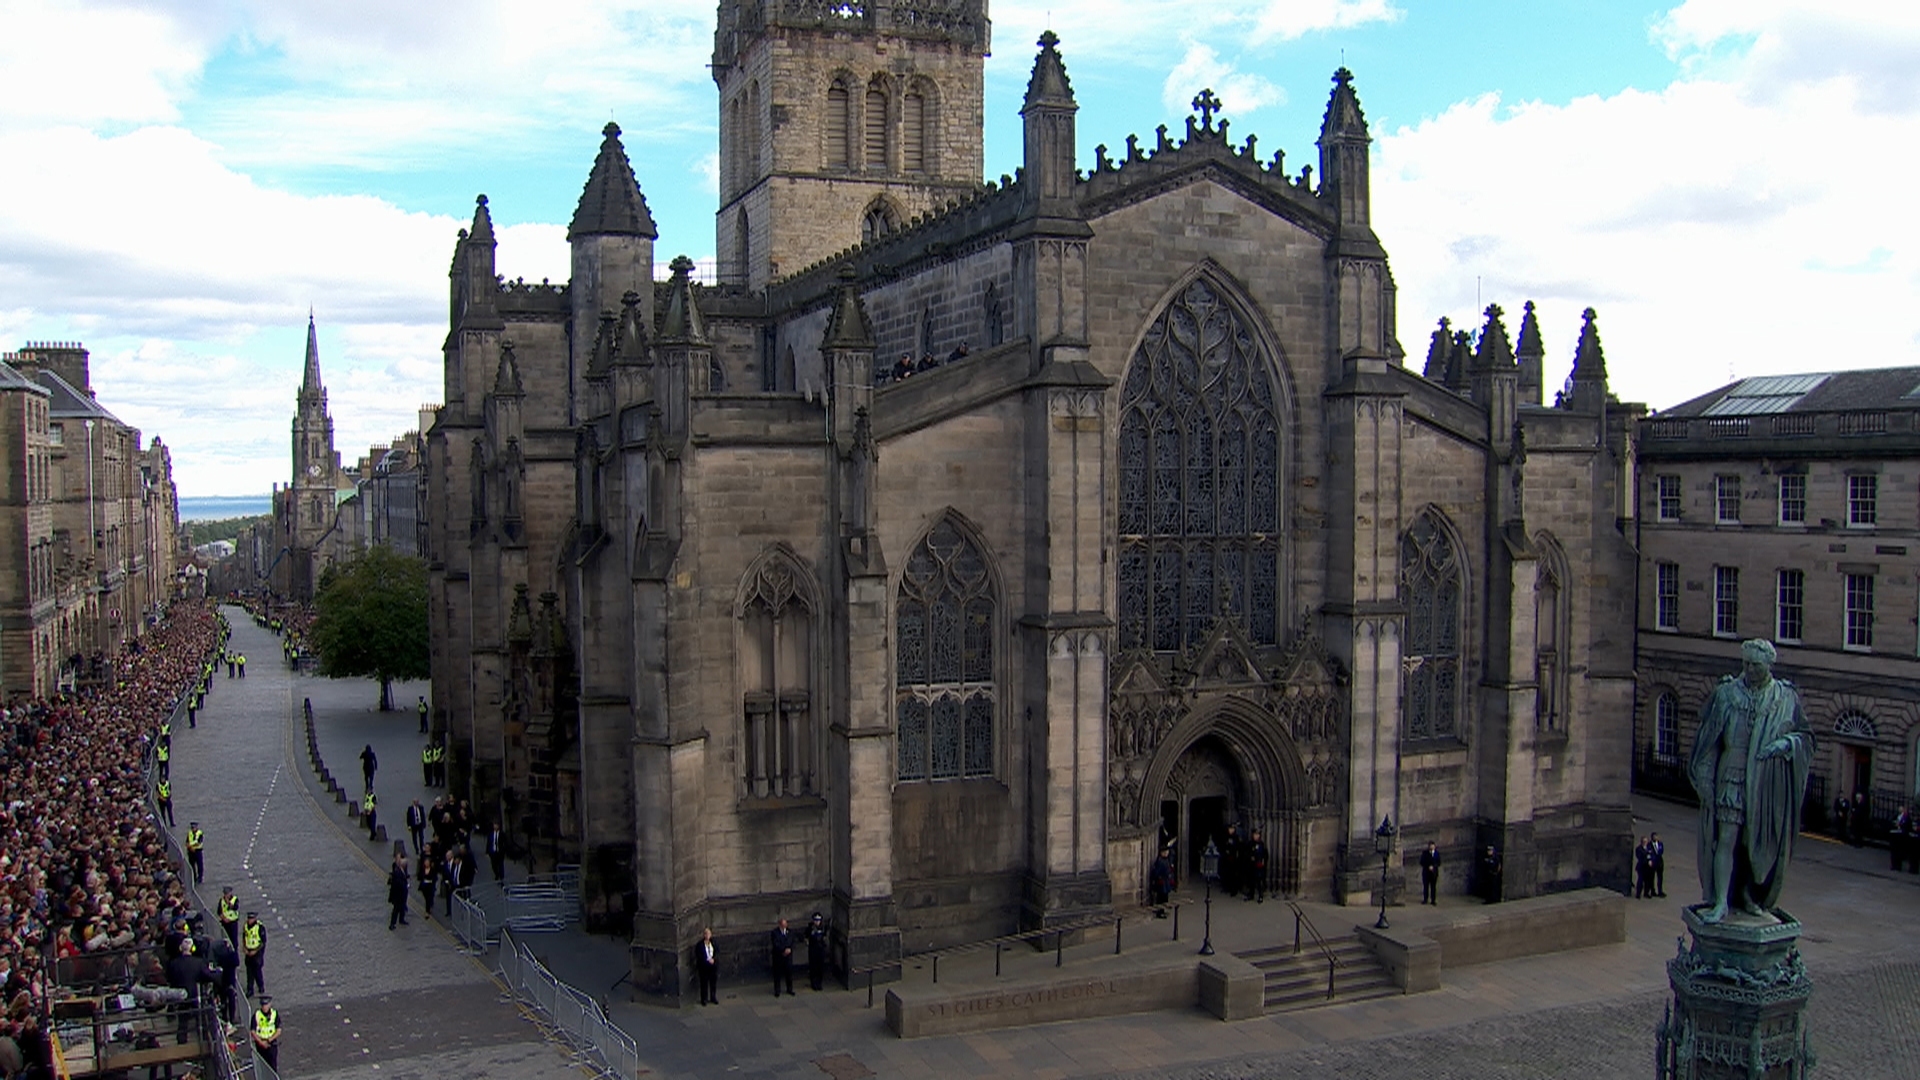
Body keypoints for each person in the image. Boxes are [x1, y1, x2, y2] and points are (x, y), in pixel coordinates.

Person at [1686, 638, 1813, 924]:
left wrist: (1785, 746)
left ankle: (1746, 896)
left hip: (1765, 784)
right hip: (1731, 775)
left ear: (1769, 665)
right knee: (1726, 840)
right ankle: (1720, 902)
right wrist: (1705, 779)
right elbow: (1708, 737)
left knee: (1753, 843)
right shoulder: (1727, 693)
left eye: (1755, 665)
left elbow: (1806, 737)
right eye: (1745, 663)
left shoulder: (1785, 697)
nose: (1749, 670)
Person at [252, 995, 279, 1072]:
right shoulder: (257, 1015)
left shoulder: (274, 1014)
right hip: (260, 1044)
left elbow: (278, 1030)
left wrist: (269, 1040)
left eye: (266, 1005)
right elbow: (253, 1031)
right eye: (263, 1005)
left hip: (271, 1043)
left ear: (270, 1004)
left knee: (273, 1066)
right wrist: (261, 1042)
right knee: (263, 1066)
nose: (264, 1007)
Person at [242, 912, 266, 996]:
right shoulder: (245, 926)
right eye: (249, 918)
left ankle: (261, 986)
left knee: (257, 971)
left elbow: (263, 942)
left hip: (257, 952)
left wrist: (255, 951)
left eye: (251, 919)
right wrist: (244, 947)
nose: (249, 920)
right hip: (248, 951)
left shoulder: (260, 927)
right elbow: (244, 937)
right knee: (249, 972)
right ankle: (250, 989)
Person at [770, 918, 795, 996]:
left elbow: (791, 941)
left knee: (789, 973)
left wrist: (789, 949)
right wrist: (783, 950)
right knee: (777, 974)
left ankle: (789, 989)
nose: (785, 926)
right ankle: (777, 990)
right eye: (783, 925)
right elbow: (776, 944)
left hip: (788, 956)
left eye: (785, 924)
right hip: (779, 956)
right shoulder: (775, 933)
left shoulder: (790, 932)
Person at [1243, 829, 1269, 902]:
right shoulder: (1250, 844)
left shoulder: (1261, 844)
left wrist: (1263, 862)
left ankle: (1260, 896)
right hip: (1251, 865)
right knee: (1251, 880)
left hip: (1258, 865)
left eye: (1257, 835)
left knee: (1259, 881)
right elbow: (1246, 853)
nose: (1256, 836)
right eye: (1254, 834)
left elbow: (1265, 854)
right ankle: (1251, 894)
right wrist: (1249, 858)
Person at [694, 928, 718, 1005]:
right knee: (704, 983)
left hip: (712, 966)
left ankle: (713, 997)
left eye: (709, 934)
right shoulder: (700, 945)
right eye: (706, 934)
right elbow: (699, 955)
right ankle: (704, 999)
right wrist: (706, 960)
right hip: (704, 966)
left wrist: (714, 959)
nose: (707, 935)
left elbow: (717, 952)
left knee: (713, 982)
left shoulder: (713, 943)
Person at [387, 852, 411, 930]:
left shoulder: (402, 871)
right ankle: (392, 924)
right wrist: (405, 885)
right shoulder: (397, 872)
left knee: (402, 907)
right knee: (396, 909)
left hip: (402, 894)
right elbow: (398, 883)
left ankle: (401, 919)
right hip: (398, 894)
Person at [1148, 846, 1174, 915]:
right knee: (1160, 898)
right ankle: (1159, 912)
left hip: (1166, 881)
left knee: (1165, 898)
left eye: (1167, 852)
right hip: (1162, 882)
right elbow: (1156, 872)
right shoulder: (1160, 861)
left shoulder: (1166, 859)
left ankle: (1163, 910)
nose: (1166, 853)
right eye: (1165, 852)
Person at [806, 912, 829, 991]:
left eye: (818, 920)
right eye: (815, 920)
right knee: (813, 967)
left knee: (820, 967)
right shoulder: (810, 928)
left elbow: (825, 936)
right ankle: (813, 983)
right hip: (813, 949)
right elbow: (806, 936)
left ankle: (819, 983)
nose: (817, 922)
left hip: (820, 949)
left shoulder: (823, 928)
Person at [1220, 823, 1242, 899]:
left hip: (1233, 859)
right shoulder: (1225, 837)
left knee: (1233, 875)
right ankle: (1227, 888)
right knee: (1226, 873)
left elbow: (1238, 848)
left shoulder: (1236, 838)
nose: (1230, 830)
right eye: (1230, 829)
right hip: (1227, 858)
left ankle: (1234, 890)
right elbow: (1223, 845)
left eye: (1232, 829)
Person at [418, 842, 439, 917]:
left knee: (429, 896)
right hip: (424, 883)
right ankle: (429, 905)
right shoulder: (423, 856)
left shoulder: (433, 858)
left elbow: (436, 869)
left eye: (428, 847)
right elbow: (420, 869)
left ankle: (428, 909)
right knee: (426, 896)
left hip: (431, 883)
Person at [217, 887, 240, 951]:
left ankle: (234, 951)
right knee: (226, 938)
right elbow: (219, 912)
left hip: (233, 922)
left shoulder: (235, 899)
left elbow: (235, 907)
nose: (226, 895)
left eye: (228, 893)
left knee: (234, 940)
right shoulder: (221, 900)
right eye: (225, 894)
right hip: (225, 923)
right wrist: (224, 918)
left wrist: (229, 903)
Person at [185, 821, 205, 886]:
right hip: (191, 851)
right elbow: (187, 842)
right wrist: (190, 847)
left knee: (200, 865)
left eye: (194, 827)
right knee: (192, 865)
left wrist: (190, 845)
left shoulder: (200, 833)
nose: (193, 829)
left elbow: (198, 842)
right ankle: (194, 877)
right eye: (192, 827)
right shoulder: (189, 833)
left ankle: (200, 878)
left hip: (198, 851)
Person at [1650, 832, 1667, 897]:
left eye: (1656, 836)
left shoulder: (1660, 844)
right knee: (1652, 877)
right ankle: (1652, 891)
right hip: (1653, 862)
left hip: (1659, 862)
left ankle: (1660, 891)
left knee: (1660, 878)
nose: (1655, 838)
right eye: (1654, 837)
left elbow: (1661, 851)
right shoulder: (1649, 845)